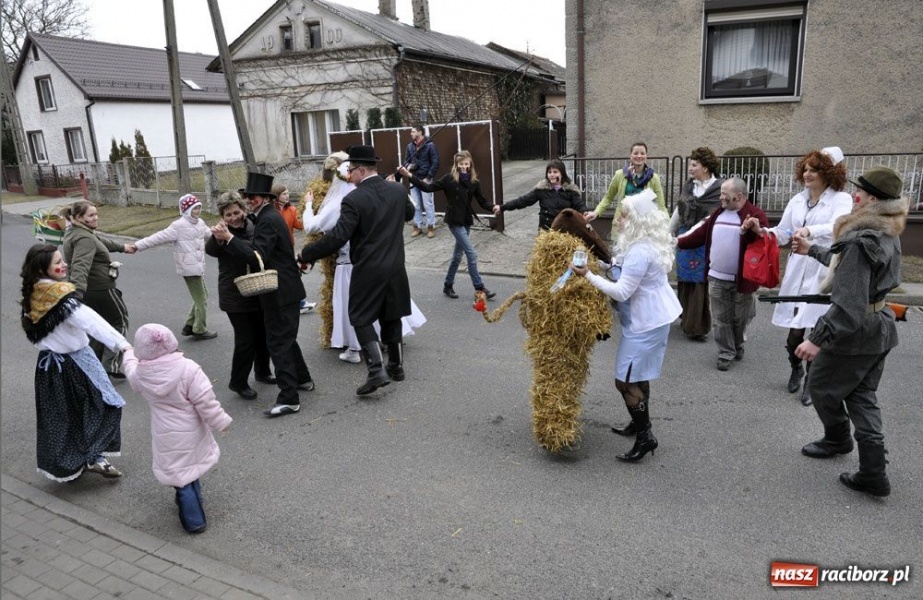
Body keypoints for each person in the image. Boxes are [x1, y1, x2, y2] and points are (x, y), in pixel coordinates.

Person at [792, 166, 906, 498]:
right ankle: (873, 472)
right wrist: (811, 250)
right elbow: (849, 271)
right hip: (878, 327)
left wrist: (816, 339)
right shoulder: (886, 230)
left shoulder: (862, 238)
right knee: (860, 394)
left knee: (821, 385)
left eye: (862, 192)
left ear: (873, 200)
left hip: (856, 331)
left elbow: (848, 302)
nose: (854, 196)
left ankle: (838, 439)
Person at [571, 189, 682, 461]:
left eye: (622, 216)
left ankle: (645, 437)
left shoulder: (641, 251)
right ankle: (639, 423)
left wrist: (586, 275)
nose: (618, 220)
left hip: (647, 323)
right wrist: (598, 264)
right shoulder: (641, 242)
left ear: (636, 221)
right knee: (638, 374)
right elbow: (621, 268)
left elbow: (621, 292)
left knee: (624, 381)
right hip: (650, 319)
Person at [300, 144, 415, 395]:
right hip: (396, 267)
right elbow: (410, 213)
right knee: (391, 314)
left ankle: (377, 371)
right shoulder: (396, 190)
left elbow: (338, 237)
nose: (349, 175)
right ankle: (396, 366)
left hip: (369, 269)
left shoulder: (354, 198)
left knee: (360, 317)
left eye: (351, 170)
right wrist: (397, 188)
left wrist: (306, 253)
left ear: (362, 170)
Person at [742, 147, 853, 406]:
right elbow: (782, 233)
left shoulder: (841, 200)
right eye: (806, 168)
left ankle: (811, 382)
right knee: (794, 334)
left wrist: (808, 230)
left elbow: (837, 226)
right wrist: (761, 230)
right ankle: (795, 367)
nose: (807, 173)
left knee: (818, 330)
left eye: (814, 169)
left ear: (829, 173)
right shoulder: (797, 200)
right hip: (798, 269)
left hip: (822, 270)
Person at [20, 244, 131, 481]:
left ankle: (73, 462)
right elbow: (93, 323)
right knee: (106, 404)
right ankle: (94, 456)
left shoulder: (33, 293)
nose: (64, 265)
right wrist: (122, 345)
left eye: (62, 260)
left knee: (63, 416)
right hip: (77, 361)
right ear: (42, 268)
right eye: (58, 262)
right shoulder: (62, 297)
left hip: (48, 367)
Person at [211, 172, 314, 417]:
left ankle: (289, 397)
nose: (249, 201)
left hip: (280, 292)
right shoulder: (266, 216)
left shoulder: (267, 219)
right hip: (285, 289)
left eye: (253, 197)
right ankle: (302, 379)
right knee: (284, 338)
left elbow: (257, 257)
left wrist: (229, 238)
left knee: (278, 343)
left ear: (264, 198)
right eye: (247, 197)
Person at [123, 323, 232, 533]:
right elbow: (205, 400)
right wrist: (220, 421)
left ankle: (194, 518)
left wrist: (128, 353)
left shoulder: (141, 373)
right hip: (191, 428)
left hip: (165, 433)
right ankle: (195, 509)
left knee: (179, 475)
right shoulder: (188, 368)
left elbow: (130, 370)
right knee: (190, 466)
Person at [676, 177, 767, 371]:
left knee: (739, 318)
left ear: (739, 196)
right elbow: (699, 235)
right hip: (716, 277)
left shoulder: (755, 215)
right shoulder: (717, 214)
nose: (721, 197)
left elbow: (764, 242)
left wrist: (755, 231)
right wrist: (678, 242)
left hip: (743, 280)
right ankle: (726, 352)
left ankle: (737, 343)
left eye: (725, 194)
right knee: (720, 318)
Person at [205, 192, 275, 399]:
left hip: (256, 290)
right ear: (222, 216)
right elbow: (211, 250)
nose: (233, 217)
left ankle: (263, 372)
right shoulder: (221, 232)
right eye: (228, 215)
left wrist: (230, 238)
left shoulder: (252, 227)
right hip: (233, 296)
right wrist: (218, 237)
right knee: (246, 340)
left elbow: (253, 254)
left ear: (243, 211)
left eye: (236, 212)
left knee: (262, 335)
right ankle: (238, 382)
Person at [400, 150, 497, 300]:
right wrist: (409, 176)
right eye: (462, 164)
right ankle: (480, 288)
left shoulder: (474, 181)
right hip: (454, 221)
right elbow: (427, 188)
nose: (465, 167)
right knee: (471, 254)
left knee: (457, 256)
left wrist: (493, 207)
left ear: (470, 164)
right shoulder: (449, 179)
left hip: (466, 221)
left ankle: (448, 285)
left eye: (467, 164)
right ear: (456, 165)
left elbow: (482, 201)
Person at [61, 200, 134, 377]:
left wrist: (123, 247)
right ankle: (110, 365)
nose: (96, 218)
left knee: (96, 328)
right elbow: (80, 265)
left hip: (90, 291)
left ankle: (94, 366)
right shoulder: (85, 238)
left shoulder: (76, 232)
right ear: (79, 217)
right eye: (91, 215)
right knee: (119, 322)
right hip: (101, 289)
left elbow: (101, 241)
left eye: (96, 214)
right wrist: (77, 293)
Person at [129, 194, 217, 340]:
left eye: (199, 207)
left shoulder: (200, 223)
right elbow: (158, 237)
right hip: (189, 268)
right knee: (202, 299)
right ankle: (199, 329)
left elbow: (210, 235)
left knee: (202, 295)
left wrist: (223, 233)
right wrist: (138, 245)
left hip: (198, 265)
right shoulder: (178, 226)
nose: (198, 211)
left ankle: (189, 324)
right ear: (186, 210)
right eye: (194, 208)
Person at [669, 147, 725, 340]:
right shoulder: (689, 185)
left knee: (699, 279)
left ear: (706, 167)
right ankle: (685, 317)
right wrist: (668, 232)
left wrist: (694, 233)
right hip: (684, 235)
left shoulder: (718, 188)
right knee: (684, 277)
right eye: (690, 164)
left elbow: (713, 217)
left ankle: (697, 326)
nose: (690, 168)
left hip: (704, 238)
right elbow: (679, 209)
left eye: (694, 164)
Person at [585, 142, 666, 240]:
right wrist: (596, 212)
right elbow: (608, 197)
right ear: (630, 156)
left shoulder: (653, 178)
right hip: (622, 225)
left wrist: (667, 227)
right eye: (636, 153)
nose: (639, 156)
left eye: (642, 153)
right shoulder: (620, 175)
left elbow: (661, 205)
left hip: (643, 227)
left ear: (646, 156)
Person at [492, 159, 587, 231]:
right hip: (546, 230)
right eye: (549, 172)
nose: (552, 175)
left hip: (565, 230)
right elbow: (523, 201)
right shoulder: (542, 189)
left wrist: (584, 212)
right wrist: (502, 207)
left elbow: (579, 204)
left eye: (555, 172)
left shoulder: (570, 190)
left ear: (562, 174)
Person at [271, 182, 315, 315]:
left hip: (288, 248)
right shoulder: (272, 211)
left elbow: (301, 225)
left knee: (293, 275)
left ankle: (300, 303)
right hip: (274, 249)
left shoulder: (292, 210)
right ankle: (294, 303)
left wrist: (311, 213)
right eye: (284, 194)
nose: (287, 196)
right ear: (276, 196)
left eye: (288, 193)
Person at [403, 125, 440, 238]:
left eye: (413, 131)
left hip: (425, 179)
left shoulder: (430, 145)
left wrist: (428, 177)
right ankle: (417, 226)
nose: (411, 133)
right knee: (416, 204)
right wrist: (409, 166)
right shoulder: (410, 146)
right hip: (413, 179)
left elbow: (436, 162)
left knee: (428, 204)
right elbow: (406, 161)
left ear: (420, 132)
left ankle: (431, 227)